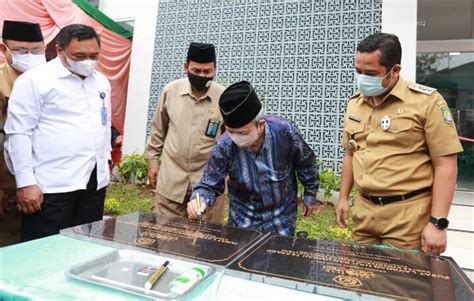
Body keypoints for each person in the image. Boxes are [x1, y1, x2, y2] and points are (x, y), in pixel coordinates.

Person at [335, 33, 463, 255]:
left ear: (395, 70)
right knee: (359, 280)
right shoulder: (355, 104)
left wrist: (438, 222)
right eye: (359, 72)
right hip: (364, 212)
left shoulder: (426, 102)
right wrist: (343, 198)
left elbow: (445, 164)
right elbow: (350, 153)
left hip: (408, 216)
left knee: (401, 285)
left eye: (371, 73)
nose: (363, 78)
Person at [4, 24, 111, 241]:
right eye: (79, 55)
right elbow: (19, 133)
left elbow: (103, 124)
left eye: (94, 55)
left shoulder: (101, 81)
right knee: (44, 251)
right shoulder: (35, 80)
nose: (87, 61)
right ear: (60, 50)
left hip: (93, 182)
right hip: (50, 186)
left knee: (84, 247)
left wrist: (106, 158)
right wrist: (25, 183)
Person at [187, 81, 319, 235]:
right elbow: (209, 184)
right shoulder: (224, 145)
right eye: (231, 132)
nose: (236, 139)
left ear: (260, 125)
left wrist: (310, 193)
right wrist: (200, 200)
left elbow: (306, 162)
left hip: (281, 219)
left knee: (278, 257)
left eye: (242, 133)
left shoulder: (285, 132)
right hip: (243, 220)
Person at [145, 42, 226, 223]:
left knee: (207, 242)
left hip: (209, 183)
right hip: (171, 179)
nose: (202, 76)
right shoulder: (170, 91)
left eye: (207, 72)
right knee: (168, 238)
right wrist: (153, 163)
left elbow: (230, 140)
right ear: (186, 67)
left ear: (215, 69)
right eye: (196, 71)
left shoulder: (223, 96)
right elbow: (158, 130)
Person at [0, 20, 45, 245]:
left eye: (36, 50)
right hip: (7, 183)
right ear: (3, 49)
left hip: (47, 182)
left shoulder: (54, 79)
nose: (30, 55)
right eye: (20, 50)